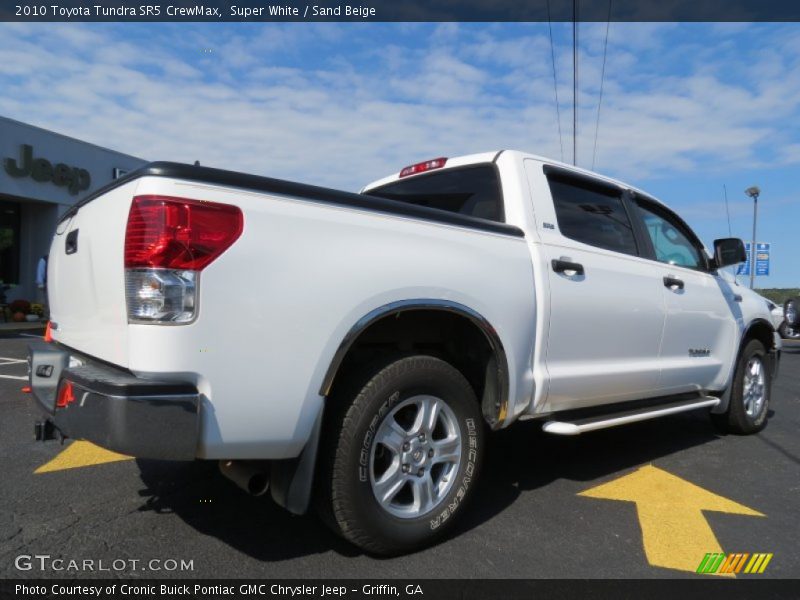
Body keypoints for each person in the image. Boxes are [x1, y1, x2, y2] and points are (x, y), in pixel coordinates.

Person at [36, 255, 48, 320]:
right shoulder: (44, 259)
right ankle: (47, 317)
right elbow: (40, 271)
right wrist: (40, 283)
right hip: (48, 283)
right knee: (47, 301)